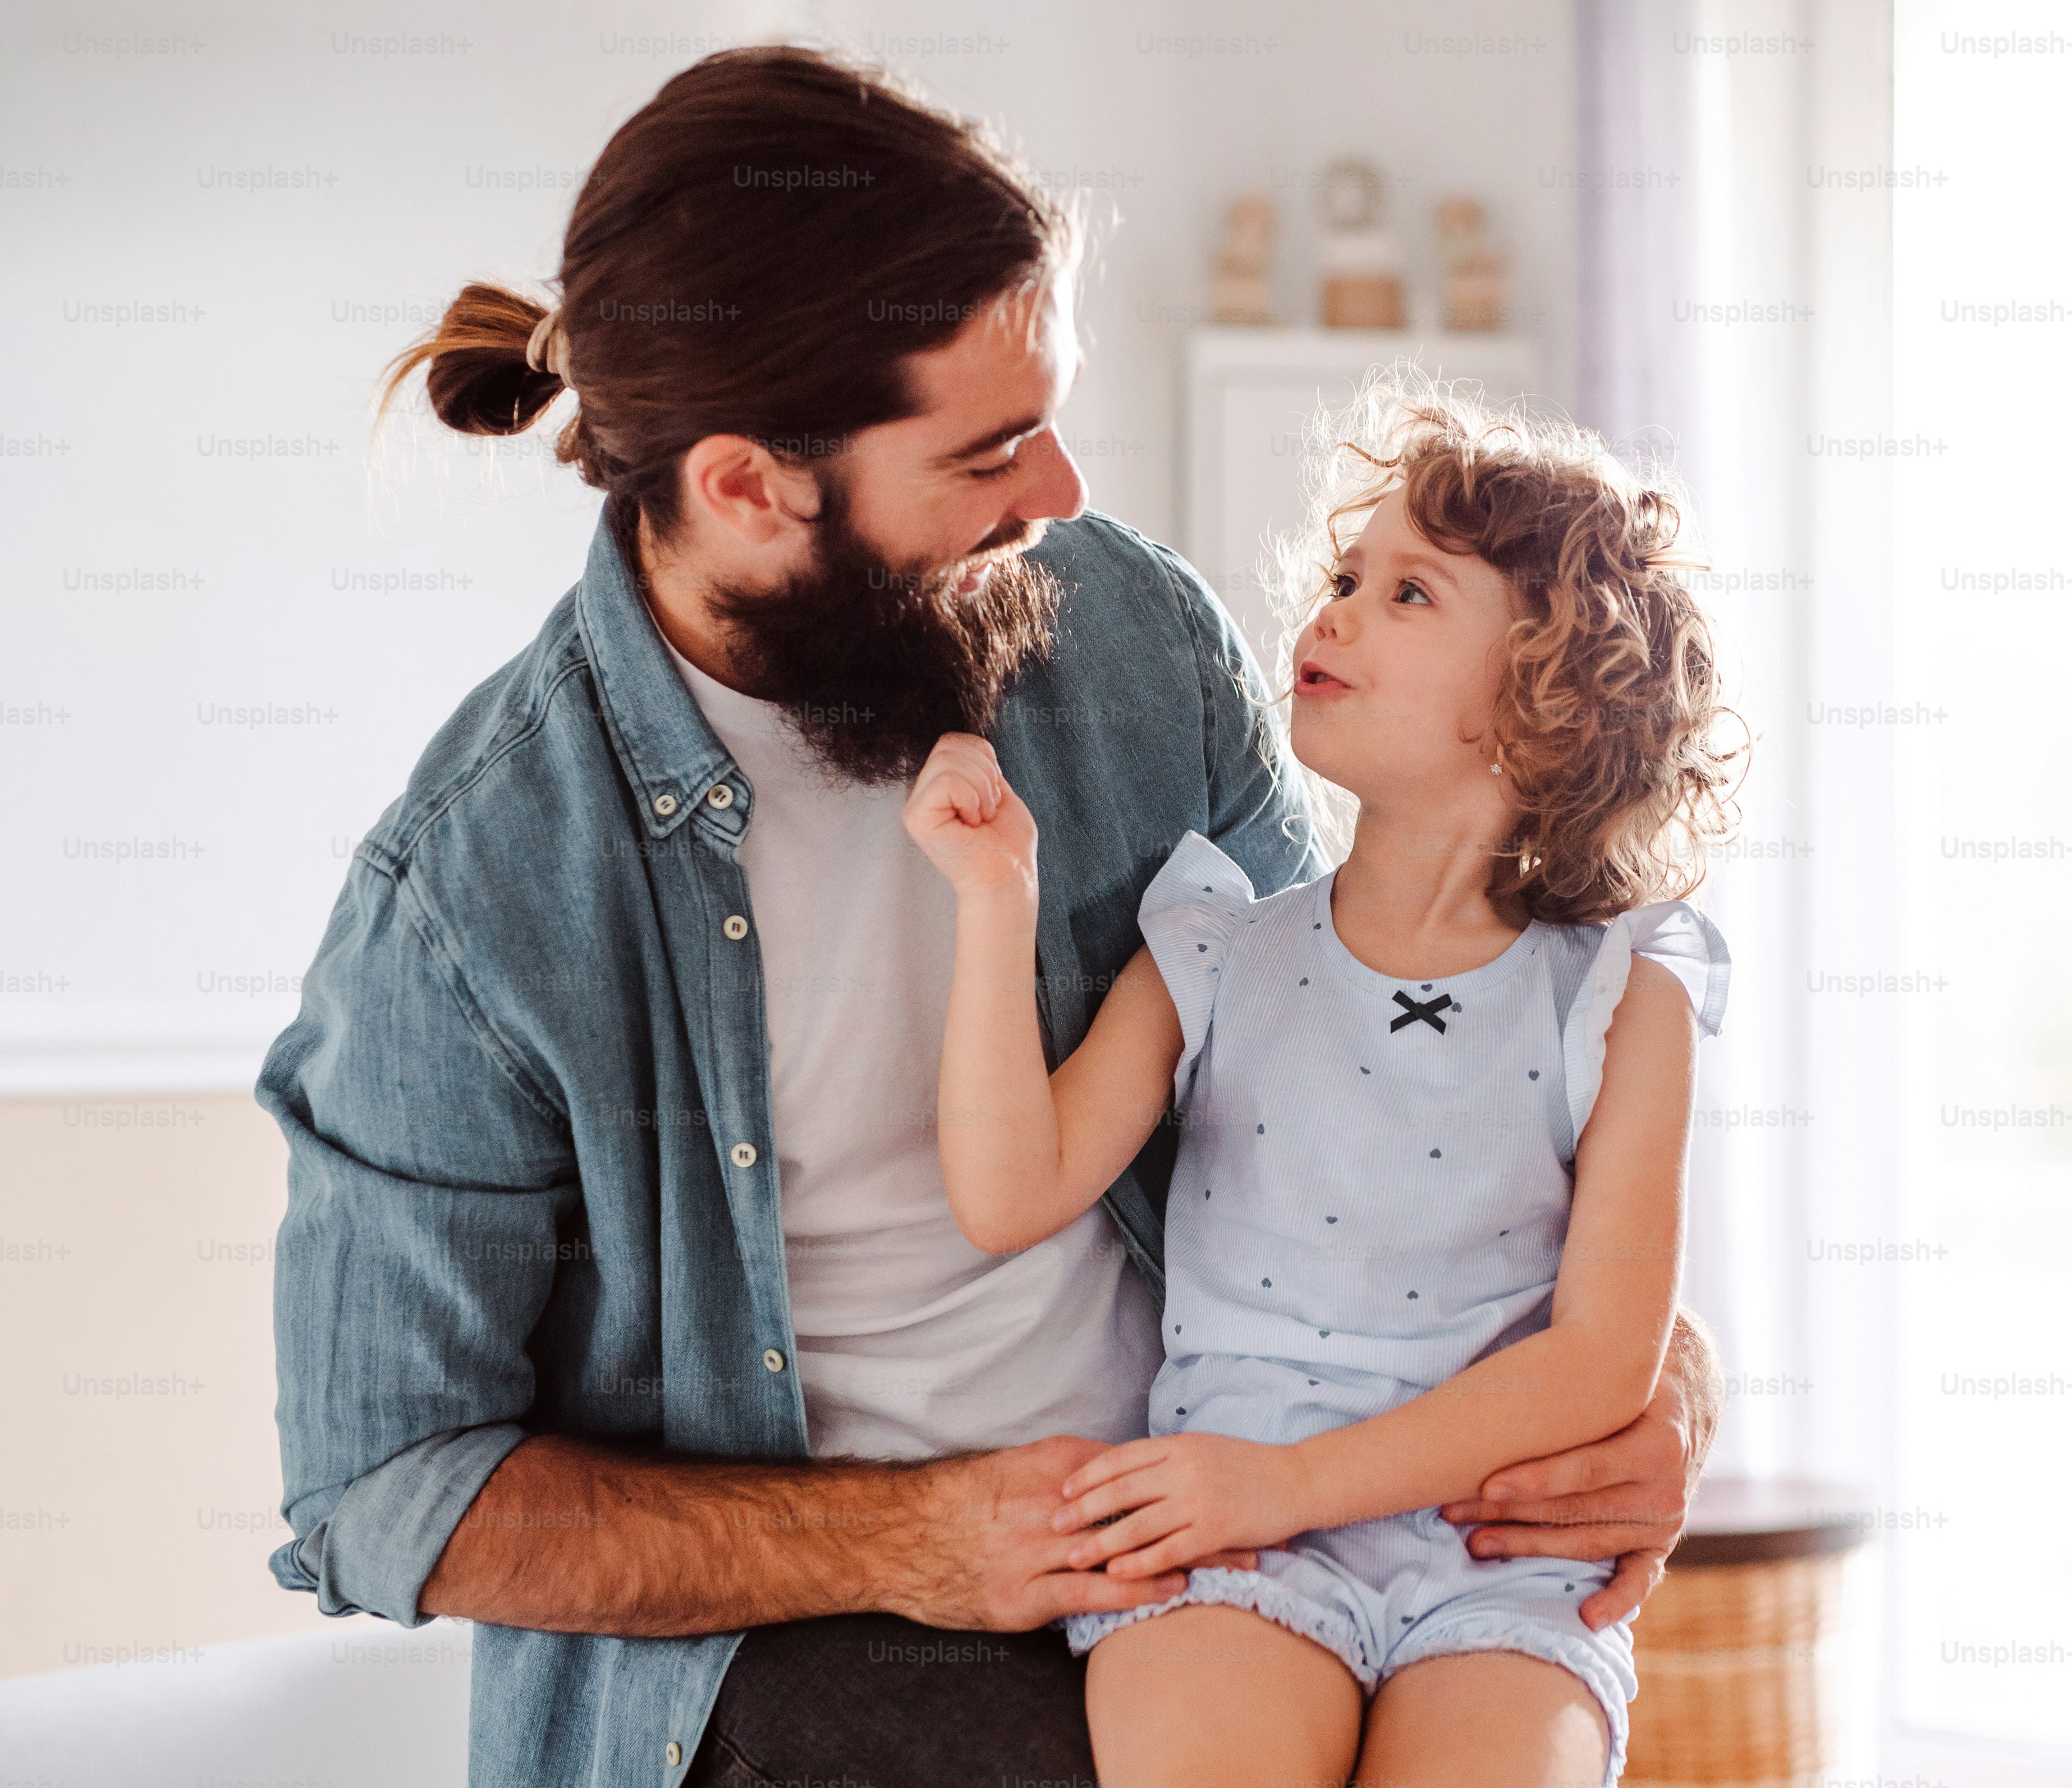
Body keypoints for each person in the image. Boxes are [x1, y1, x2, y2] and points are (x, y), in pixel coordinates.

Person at [259, 44, 1725, 1788]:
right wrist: (911, 1543)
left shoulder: (1125, 640)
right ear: (748, 489)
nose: (1065, 498)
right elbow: (382, 1484)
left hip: (1252, 1494)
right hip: (822, 1623)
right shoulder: (478, 891)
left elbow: (1373, 1061)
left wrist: (1649, 1385)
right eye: (990, 450)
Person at [903, 372, 1741, 1787]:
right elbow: (1008, 1190)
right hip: (1220, 1543)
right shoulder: (1212, 943)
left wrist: (1293, 1481)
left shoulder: (1624, 993)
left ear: (1543, 697)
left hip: (1494, 1570)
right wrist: (994, 901)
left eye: (1409, 594)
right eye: (1346, 576)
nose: (1332, 611)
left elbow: (1604, 1357)